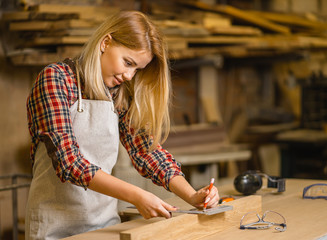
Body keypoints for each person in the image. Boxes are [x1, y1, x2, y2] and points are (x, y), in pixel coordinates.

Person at [25, 10, 219, 239]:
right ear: (106, 42)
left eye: (137, 69)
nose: (129, 75)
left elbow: (146, 152)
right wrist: (137, 195)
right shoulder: (55, 80)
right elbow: (70, 163)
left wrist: (193, 196)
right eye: (128, 62)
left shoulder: (119, 94)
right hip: (55, 228)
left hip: (104, 226)